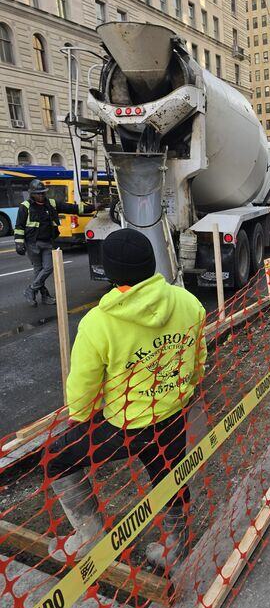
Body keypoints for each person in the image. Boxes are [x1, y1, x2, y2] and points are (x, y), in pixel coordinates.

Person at [47, 228, 207, 572]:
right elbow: (198, 359)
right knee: (169, 474)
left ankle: (90, 534)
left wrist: (82, 417)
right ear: (151, 265)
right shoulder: (188, 302)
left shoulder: (99, 323)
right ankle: (177, 545)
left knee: (57, 460)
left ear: (111, 272)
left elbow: (84, 387)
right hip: (173, 412)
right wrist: (186, 390)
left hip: (125, 425)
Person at [14, 178, 97, 306]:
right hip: (32, 244)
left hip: (47, 242)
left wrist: (92, 208)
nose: (42, 195)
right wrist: (19, 243)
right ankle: (45, 296)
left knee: (48, 268)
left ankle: (31, 289)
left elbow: (72, 208)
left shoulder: (51, 203)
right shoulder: (25, 206)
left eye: (43, 193)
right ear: (32, 194)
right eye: (39, 193)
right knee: (38, 270)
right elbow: (19, 226)